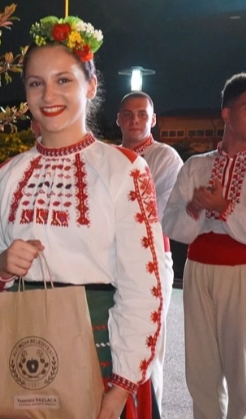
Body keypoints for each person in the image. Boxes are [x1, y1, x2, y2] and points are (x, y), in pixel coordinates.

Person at [0, 16, 166, 419]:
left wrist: (121, 385)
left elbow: (144, 286)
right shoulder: (5, 175)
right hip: (21, 344)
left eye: (63, 80)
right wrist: (1, 266)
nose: (48, 94)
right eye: (36, 83)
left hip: (100, 352)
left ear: (91, 85)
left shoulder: (125, 169)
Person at [162, 72, 246, 419]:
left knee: (242, 366)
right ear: (226, 113)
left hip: (241, 272)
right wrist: (195, 209)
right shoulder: (197, 165)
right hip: (198, 268)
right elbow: (170, 223)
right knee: (201, 367)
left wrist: (223, 207)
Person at [117, 91, 183, 410]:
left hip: (151, 257)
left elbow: (157, 211)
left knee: (149, 342)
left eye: (142, 114)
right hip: (111, 260)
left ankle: (149, 412)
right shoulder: (108, 155)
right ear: (118, 119)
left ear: (153, 119)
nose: (134, 120)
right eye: (128, 114)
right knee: (113, 341)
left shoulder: (165, 157)